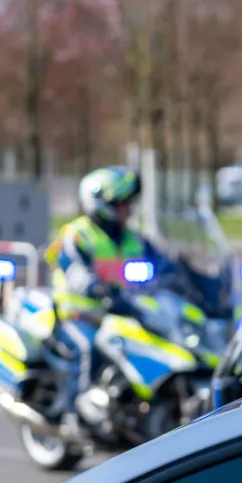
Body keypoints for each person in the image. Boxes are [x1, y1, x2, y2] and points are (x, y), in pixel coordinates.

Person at [43, 166, 171, 431]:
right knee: (89, 348)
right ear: (103, 204)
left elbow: (165, 265)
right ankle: (73, 414)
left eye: (129, 204)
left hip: (122, 315)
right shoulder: (76, 234)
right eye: (123, 204)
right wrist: (98, 289)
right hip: (79, 316)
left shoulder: (133, 239)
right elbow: (74, 271)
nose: (129, 210)